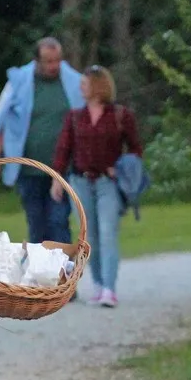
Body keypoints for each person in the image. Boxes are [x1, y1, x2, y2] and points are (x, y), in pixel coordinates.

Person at [52, 65, 142, 308]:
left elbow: (136, 149)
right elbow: (64, 150)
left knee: (108, 233)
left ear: (98, 86)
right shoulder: (74, 116)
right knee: (89, 236)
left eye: (85, 83)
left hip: (108, 183)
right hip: (80, 181)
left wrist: (121, 167)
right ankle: (99, 284)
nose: (81, 87)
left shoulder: (121, 116)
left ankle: (110, 288)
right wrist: (57, 178)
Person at [0, 37, 84, 245]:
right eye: (48, 61)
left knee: (59, 221)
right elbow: (2, 120)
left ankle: (63, 273)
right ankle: (39, 273)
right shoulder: (20, 82)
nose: (54, 66)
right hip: (29, 169)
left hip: (62, 168)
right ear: (37, 60)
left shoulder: (74, 82)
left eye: (57, 60)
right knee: (37, 224)